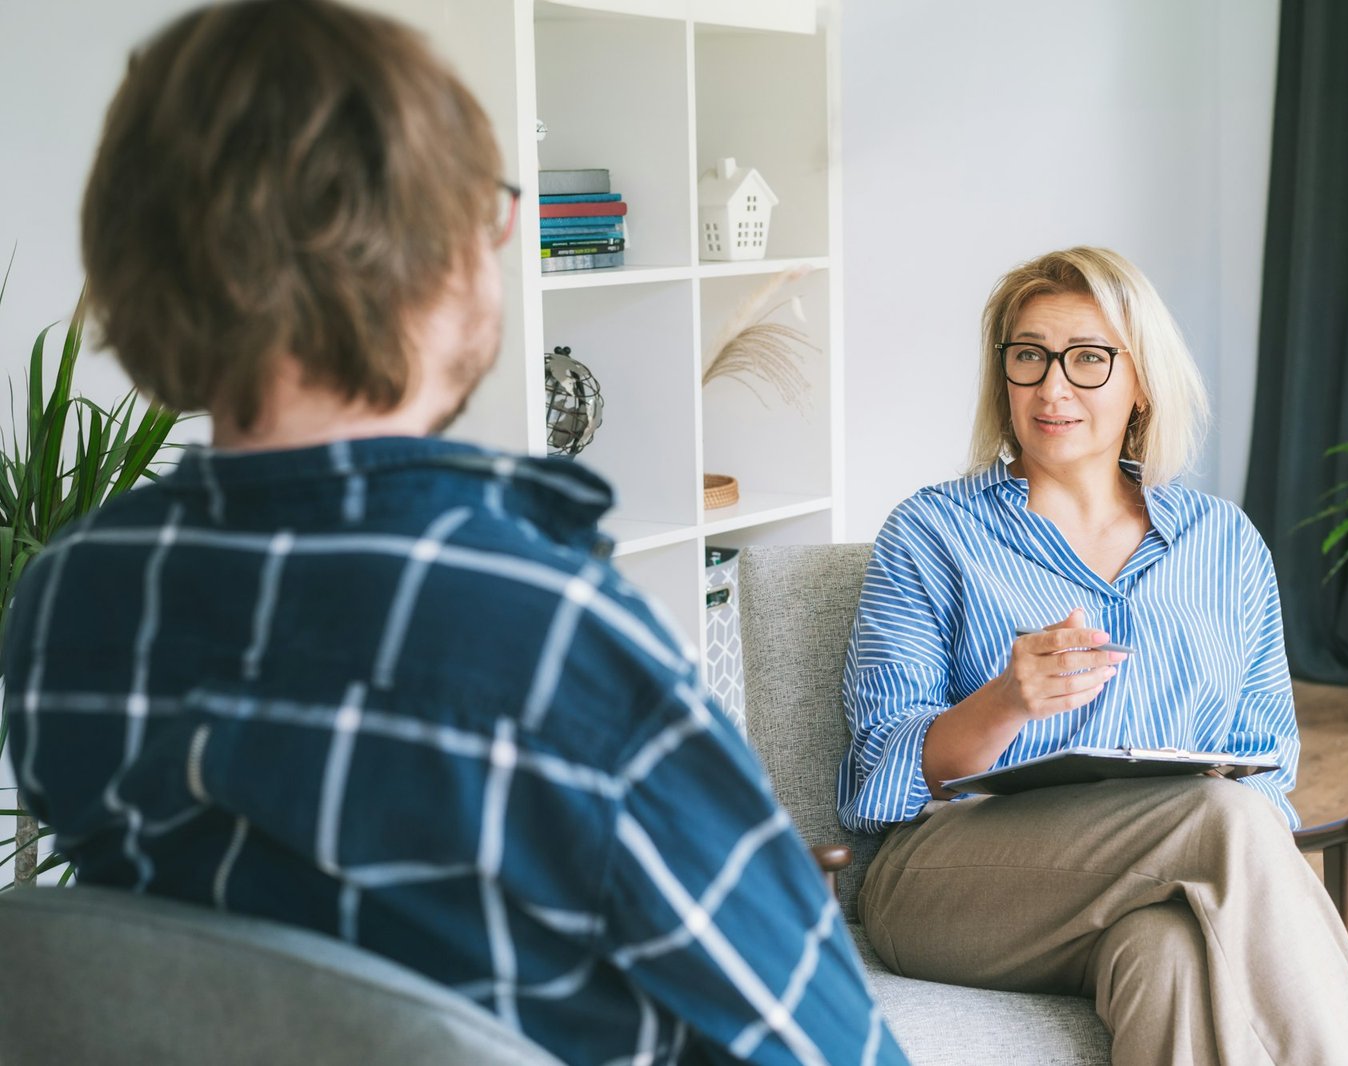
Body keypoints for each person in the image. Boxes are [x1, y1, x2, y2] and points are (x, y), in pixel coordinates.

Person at [0, 3, 906, 1063]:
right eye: (492, 204)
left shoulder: (69, 600)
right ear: (427, 253)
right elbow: (834, 1049)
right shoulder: (545, 630)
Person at [839, 246, 1348, 1065]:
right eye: (1029, 356)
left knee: (1167, 953)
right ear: (1004, 377)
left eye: (1088, 359)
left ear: (1141, 381)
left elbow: (1265, 764)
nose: (1053, 386)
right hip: (947, 883)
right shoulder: (930, 534)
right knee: (1216, 817)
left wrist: (1206, 812)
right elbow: (875, 776)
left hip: (1146, 882)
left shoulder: (1224, 543)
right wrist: (1005, 702)